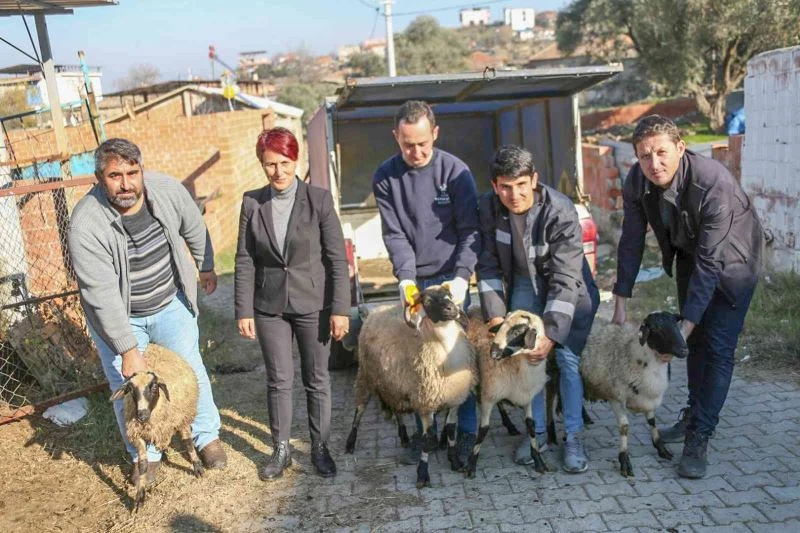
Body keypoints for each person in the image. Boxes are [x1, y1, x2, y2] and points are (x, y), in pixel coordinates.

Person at [68, 138, 226, 486]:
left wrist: (206, 264)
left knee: (189, 369)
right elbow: (100, 294)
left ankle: (206, 436)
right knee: (127, 384)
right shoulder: (85, 224)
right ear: (99, 178)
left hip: (169, 302)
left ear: (141, 171)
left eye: (132, 172)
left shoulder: (166, 190)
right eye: (114, 175)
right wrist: (127, 348)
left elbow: (192, 225)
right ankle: (146, 455)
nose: (125, 183)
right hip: (119, 317)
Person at [612, 115, 763, 479]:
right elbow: (631, 238)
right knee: (692, 346)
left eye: (662, 153)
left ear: (680, 148)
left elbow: (711, 264)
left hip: (733, 261)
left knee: (717, 346)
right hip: (690, 255)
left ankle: (700, 435)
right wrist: (620, 300)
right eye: (645, 156)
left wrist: (686, 326)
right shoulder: (637, 180)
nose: (654, 164)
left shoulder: (713, 183)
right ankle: (693, 414)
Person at [235, 127, 350, 480]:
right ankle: (281, 449)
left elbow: (336, 259)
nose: (278, 172)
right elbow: (244, 259)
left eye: (284, 163)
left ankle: (319, 447)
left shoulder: (319, 200)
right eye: (270, 165)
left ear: (295, 160)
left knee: (316, 379)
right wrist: (244, 309)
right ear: (262, 165)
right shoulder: (252, 202)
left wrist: (341, 308)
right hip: (269, 306)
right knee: (278, 379)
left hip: (313, 303)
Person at [476, 145, 599, 473]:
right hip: (523, 284)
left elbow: (566, 277)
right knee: (527, 360)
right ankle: (538, 433)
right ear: (494, 186)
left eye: (520, 185)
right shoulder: (488, 209)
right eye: (504, 186)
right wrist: (497, 318)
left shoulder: (560, 210)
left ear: (534, 180)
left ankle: (573, 437)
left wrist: (553, 334)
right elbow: (486, 266)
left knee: (565, 360)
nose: (513, 194)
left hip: (568, 291)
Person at [373, 100, 480, 466]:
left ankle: (464, 435)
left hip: (452, 280)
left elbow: (470, 231)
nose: (415, 152)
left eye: (422, 143)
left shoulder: (456, 172)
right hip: (417, 283)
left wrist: (462, 277)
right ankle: (426, 432)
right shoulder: (386, 177)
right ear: (395, 137)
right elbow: (395, 234)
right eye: (407, 145)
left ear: (435, 133)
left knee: (460, 361)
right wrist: (405, 280)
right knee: (421, 361)